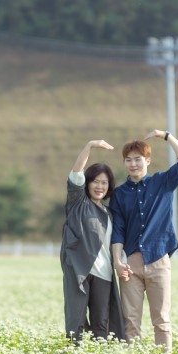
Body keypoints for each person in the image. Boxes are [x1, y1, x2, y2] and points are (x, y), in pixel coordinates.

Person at [109, 130, 178, 352]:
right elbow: (117, 230)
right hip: (131, 265)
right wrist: (117, 261)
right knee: (131, 322)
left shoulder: (162, 182)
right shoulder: (119, 194)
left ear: (147, 160)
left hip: (158, 259)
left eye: (138, 159)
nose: (133, 164)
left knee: (162, 320)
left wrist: (166, 136)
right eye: (128, 160)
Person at [60, 140, 125, 341]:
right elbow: (76, 172)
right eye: (95, 181)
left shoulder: (110, 213)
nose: (99, 186)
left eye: (104, 182)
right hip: (80, 271)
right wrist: (88, 146)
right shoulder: (78, 202)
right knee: (76, 320)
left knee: (101, 323)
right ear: (87, 183)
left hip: (104, 274)